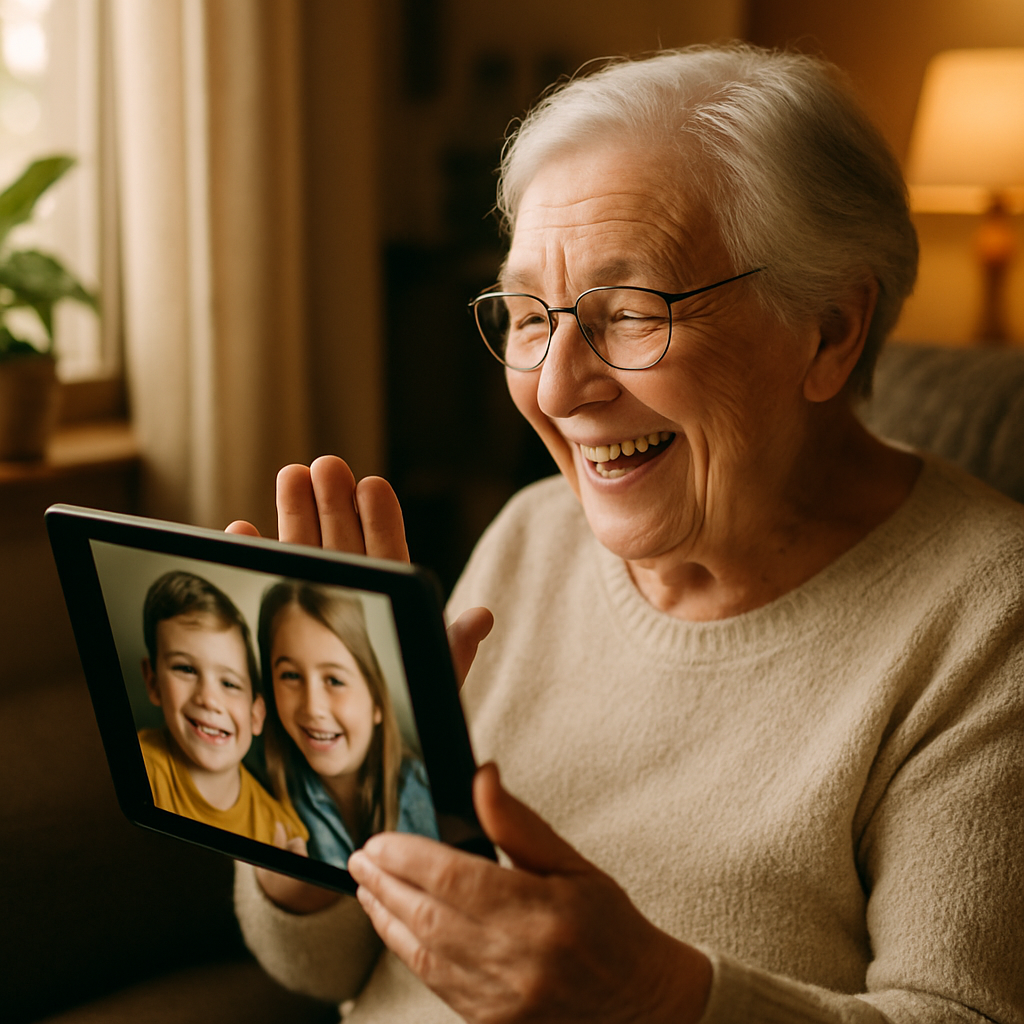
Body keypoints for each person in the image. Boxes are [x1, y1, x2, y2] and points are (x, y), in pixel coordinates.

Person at [229, 44, 1024, 1024]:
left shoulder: (987, 616)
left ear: (827, 328)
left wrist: (655, 997)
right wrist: (323, 799)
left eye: (632, 311)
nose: (557, 387)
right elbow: (318, 965)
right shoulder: (529, 537)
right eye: (529, 314)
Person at [254, 581, 437, 875]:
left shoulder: (424, 795)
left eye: (335, 680)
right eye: (290, 675)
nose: (313, 707)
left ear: (376, 701)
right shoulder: (258, 781)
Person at [139, 570, 308, 845]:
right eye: (186, 669)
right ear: (153, 682)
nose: (208, 699)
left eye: (229, 684)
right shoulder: (140, 772)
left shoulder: (282, 828)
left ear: (256, 715)